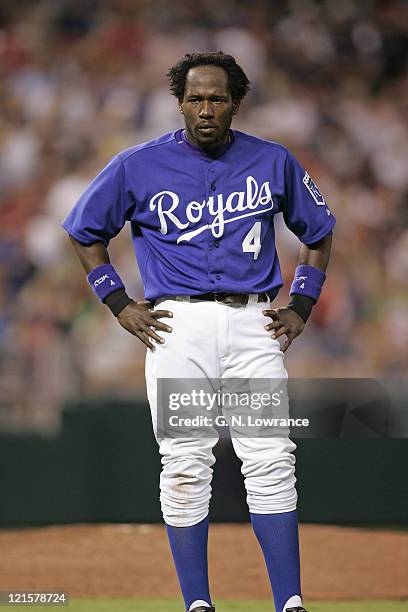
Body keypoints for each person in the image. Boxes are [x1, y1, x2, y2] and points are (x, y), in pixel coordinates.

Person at [62, 52, 334, 612]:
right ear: (179, 102)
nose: (205, 108)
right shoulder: (139, 164)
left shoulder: (273, 160)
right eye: (194, 98)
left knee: (270, 459)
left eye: (216, 98)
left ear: (235, 102)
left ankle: (290, 602)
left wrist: (302, 305)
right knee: (185, 464)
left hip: (255, 324)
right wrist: (116, 303)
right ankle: (197, 604)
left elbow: (319, 231)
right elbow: (84, 231)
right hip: (176, 328)